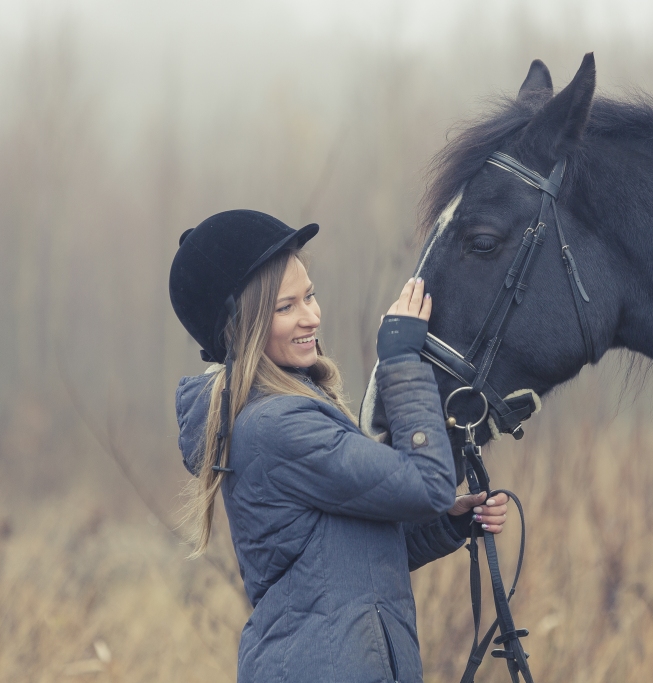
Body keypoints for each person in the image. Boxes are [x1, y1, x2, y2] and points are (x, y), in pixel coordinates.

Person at [169, 210, 508, 683]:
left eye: (309, 295)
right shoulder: (276, 426)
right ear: (240, 329)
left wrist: (451, 522)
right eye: (285, 308)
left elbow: (354, 555)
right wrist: (401, 360)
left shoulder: (285, 412)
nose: (311, 316)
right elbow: (428, 483)